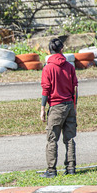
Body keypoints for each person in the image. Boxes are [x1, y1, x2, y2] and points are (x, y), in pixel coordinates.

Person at [39, 38, 78, 177]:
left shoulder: (48, 68)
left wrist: (42, 108)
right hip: (69, 105)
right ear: (61, 50)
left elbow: (46, 89)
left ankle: (51, 170)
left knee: (52, 139)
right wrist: (74, 106)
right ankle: (71, 168)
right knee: (70, 138)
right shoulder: (70, 67)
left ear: (49, 51)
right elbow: (75, 88)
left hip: (56, 107)